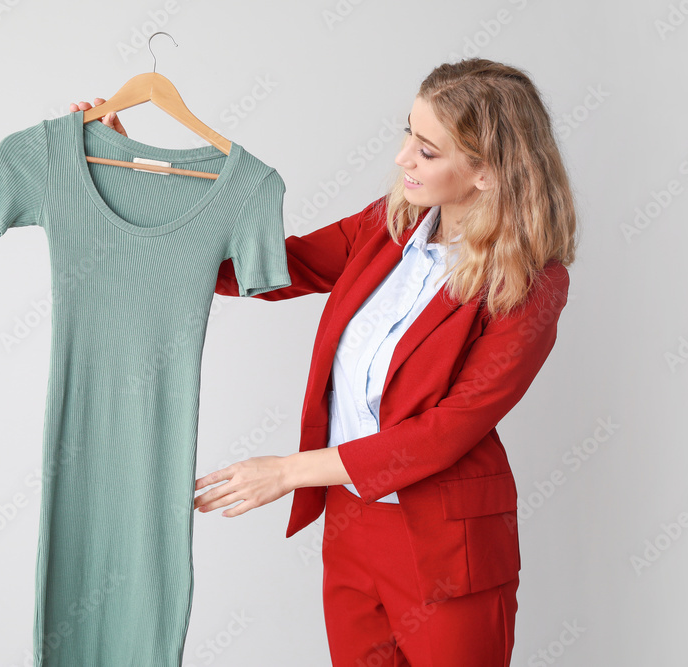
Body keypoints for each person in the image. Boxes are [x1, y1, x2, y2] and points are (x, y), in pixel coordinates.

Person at [70, 57, 577, 667]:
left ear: (488, 174)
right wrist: (132, 178)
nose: (402, 159)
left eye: (428, 150)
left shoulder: (532, 285)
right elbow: (269, 269)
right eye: (407, 134)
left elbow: (443, 434)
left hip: (446, 548)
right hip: (351, 526)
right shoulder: (388, 224)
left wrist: (286, 472)